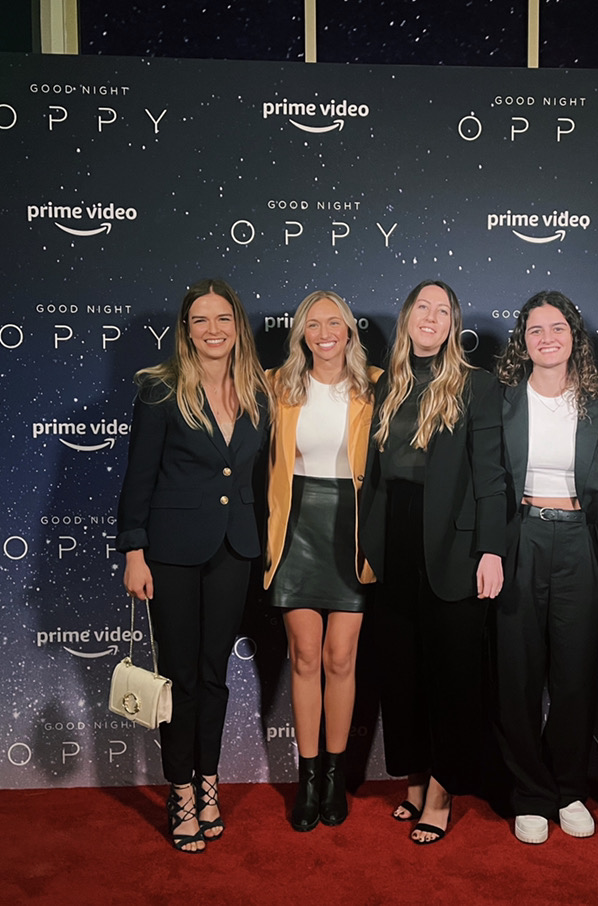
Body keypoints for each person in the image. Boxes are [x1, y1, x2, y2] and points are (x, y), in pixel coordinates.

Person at [116, 278, 269, 853]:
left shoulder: (257, 391)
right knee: (178, 678)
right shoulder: (160, 391)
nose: (213, 330)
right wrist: (134, 551)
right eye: (201, 320)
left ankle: (209, 781)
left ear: (238, 326)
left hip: (235, 551)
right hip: (171, 553)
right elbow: (139, 479)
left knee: (213, 676)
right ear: (186, 330)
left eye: (223, 319)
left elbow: (253, 475)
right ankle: (179, 790)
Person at [359, 279, 507, 845]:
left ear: (452, 324)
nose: (431, 316)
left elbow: (492, 475)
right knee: (402, 667)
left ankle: (444, 790)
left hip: (454, 542)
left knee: (452, 672)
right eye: (422, 306)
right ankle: (415, 778)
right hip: (394, 533)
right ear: (407, 317)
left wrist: (491, 548)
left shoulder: (478, 386)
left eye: (442, 310)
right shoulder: (384, 385)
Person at [494, 291, 598, 845]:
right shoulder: (503, 399)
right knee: (518, 676)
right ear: (523, 340)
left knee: (574, 677)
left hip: (579, 542)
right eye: (535, 329)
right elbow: (489, 480)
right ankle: (530, 795)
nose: (547, 338)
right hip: (520, 536)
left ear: (574, 336)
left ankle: (569, 790)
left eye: (557, 328)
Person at [263, 290, 382, 832]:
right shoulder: (276, 385)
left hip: (351, 532)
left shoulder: (377, 386)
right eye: (314, 324)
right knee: (305, 657)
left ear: (350, 330)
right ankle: (307, 778)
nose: (325, 332)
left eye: (335, 322)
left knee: (341, 657)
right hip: (295, 531)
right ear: (301, 334)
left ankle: (335, 775)